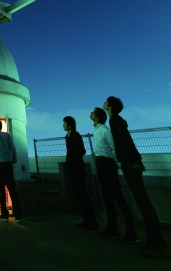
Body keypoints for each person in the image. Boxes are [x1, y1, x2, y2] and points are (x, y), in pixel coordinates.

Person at [104, 96, 170, 259]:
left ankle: (159, 245)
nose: (104, 103)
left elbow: (127, 141)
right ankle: (154, 242)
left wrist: (137, 161)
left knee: (144, 204)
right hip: (130, 165)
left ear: (110, 106)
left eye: (106, 102)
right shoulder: (115, 120)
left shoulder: (115, 121)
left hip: (130, 166)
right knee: (143, 205)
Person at [90, 107, 137, 241]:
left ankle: (131, 231)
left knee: (117, 195)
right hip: (101, 162)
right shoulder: (97, 129)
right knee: (106, 196)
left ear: (98, 117)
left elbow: (113, 147)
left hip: (107, 163)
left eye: (93, 113)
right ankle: (112, 228)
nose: (91, 114)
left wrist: (115, 163)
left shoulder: (105, 130)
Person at [63, 116, 98, 230]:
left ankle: (91, 221)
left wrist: (73, 160)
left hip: (77, 168)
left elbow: (82, 150)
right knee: (79, 195)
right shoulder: (67, 137)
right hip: (73, 168)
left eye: (65, 123)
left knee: (83, 194)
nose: (63, 125)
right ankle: (87, 220)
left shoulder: (75, 135)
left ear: (70, 125)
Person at [0, 119, 22, 222]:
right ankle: (18, 215)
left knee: (1, 190)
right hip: (8, 164)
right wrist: (14, 159)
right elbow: (13, 148)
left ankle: (4, 214)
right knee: (12, 189)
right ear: (1, 126)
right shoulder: (7, 136)